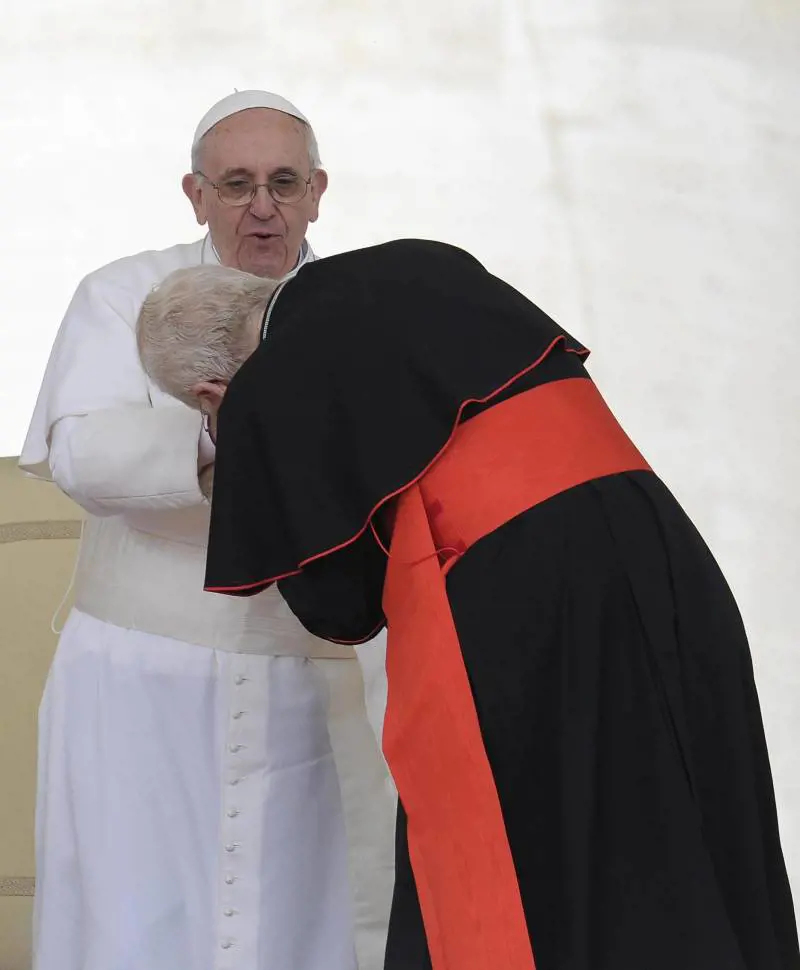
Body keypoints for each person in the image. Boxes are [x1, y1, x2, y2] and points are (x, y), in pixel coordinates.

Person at [136, 240, 800, 970]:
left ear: (210, 392)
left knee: (553, 848)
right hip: (655, 539)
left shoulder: (266, 384)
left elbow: (339, 605)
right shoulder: (419, 261)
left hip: (525, 599)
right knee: (690, 802)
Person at [18, 92, 395, 970]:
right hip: (142, 678)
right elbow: (79, 452)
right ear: (195, 194)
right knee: (135, 912)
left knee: (302, 922)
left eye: (282, 182)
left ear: (317, 191)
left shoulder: (362, 314)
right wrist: (213, 435)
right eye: (235, 184)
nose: (261, 206)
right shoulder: (119, 294)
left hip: (313, 677)